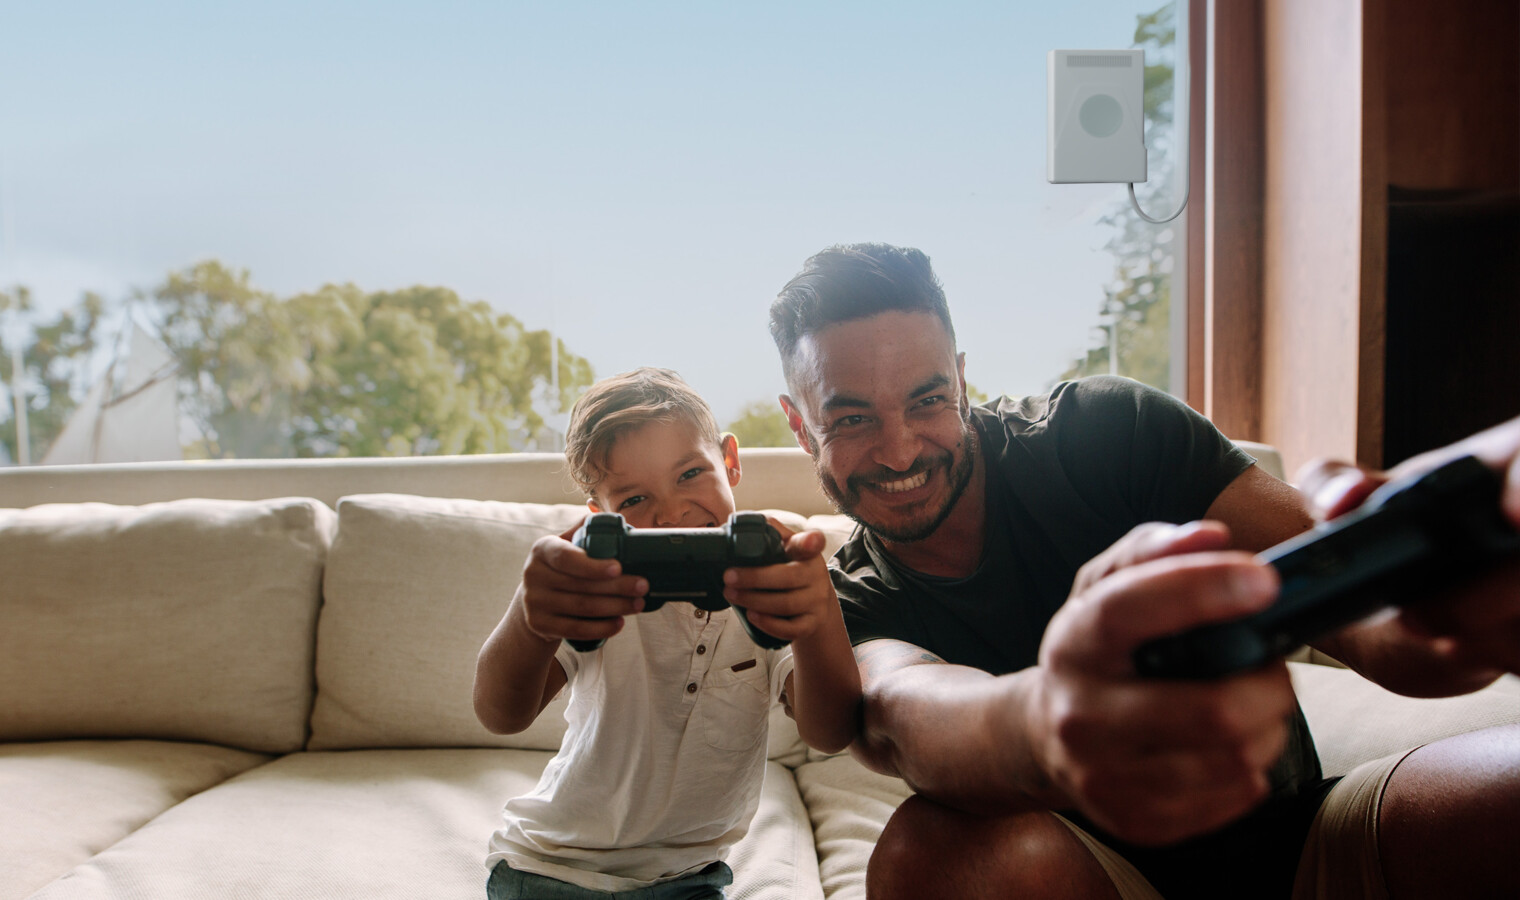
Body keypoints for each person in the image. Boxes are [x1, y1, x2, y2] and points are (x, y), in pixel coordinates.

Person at [766, 242, 1520, 899]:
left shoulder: (1103, 433)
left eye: (928, 400)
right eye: (852, 418)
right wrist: (1056, 726)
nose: (900, 450)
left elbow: (1377, 621)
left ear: (961, 380)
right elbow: (903, 716)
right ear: (801, 424)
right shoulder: (841, 602)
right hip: (1094, 880)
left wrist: (1450, 602)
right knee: (932, 856)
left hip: (1306, 839)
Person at [473, 367, 862, 898]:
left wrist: (818, 616)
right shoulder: (597, 589)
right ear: (601, 515)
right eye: (633, 500)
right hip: (553, 866)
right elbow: (501, 715)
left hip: (687, 879)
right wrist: (529, 615)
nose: (671, 513)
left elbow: (831, 732)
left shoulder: (770, 584)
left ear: (729, 460)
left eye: (690, 474)